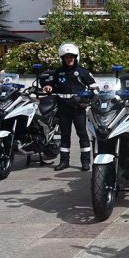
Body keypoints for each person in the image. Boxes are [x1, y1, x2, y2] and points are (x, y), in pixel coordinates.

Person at [42, 43, 97, 171]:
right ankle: (64, 161)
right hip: (63, 108)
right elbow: (51, 84)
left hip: (78, 108)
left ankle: (85, 162)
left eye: (71, 57)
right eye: (66, 57)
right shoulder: (58, 72)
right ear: (62, 58)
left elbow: (94, 89)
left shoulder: (83, 72)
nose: (69, 59)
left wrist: (86, 98)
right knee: (65, 135)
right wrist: (48, 86)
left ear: (76, 57)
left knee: (82, 134)